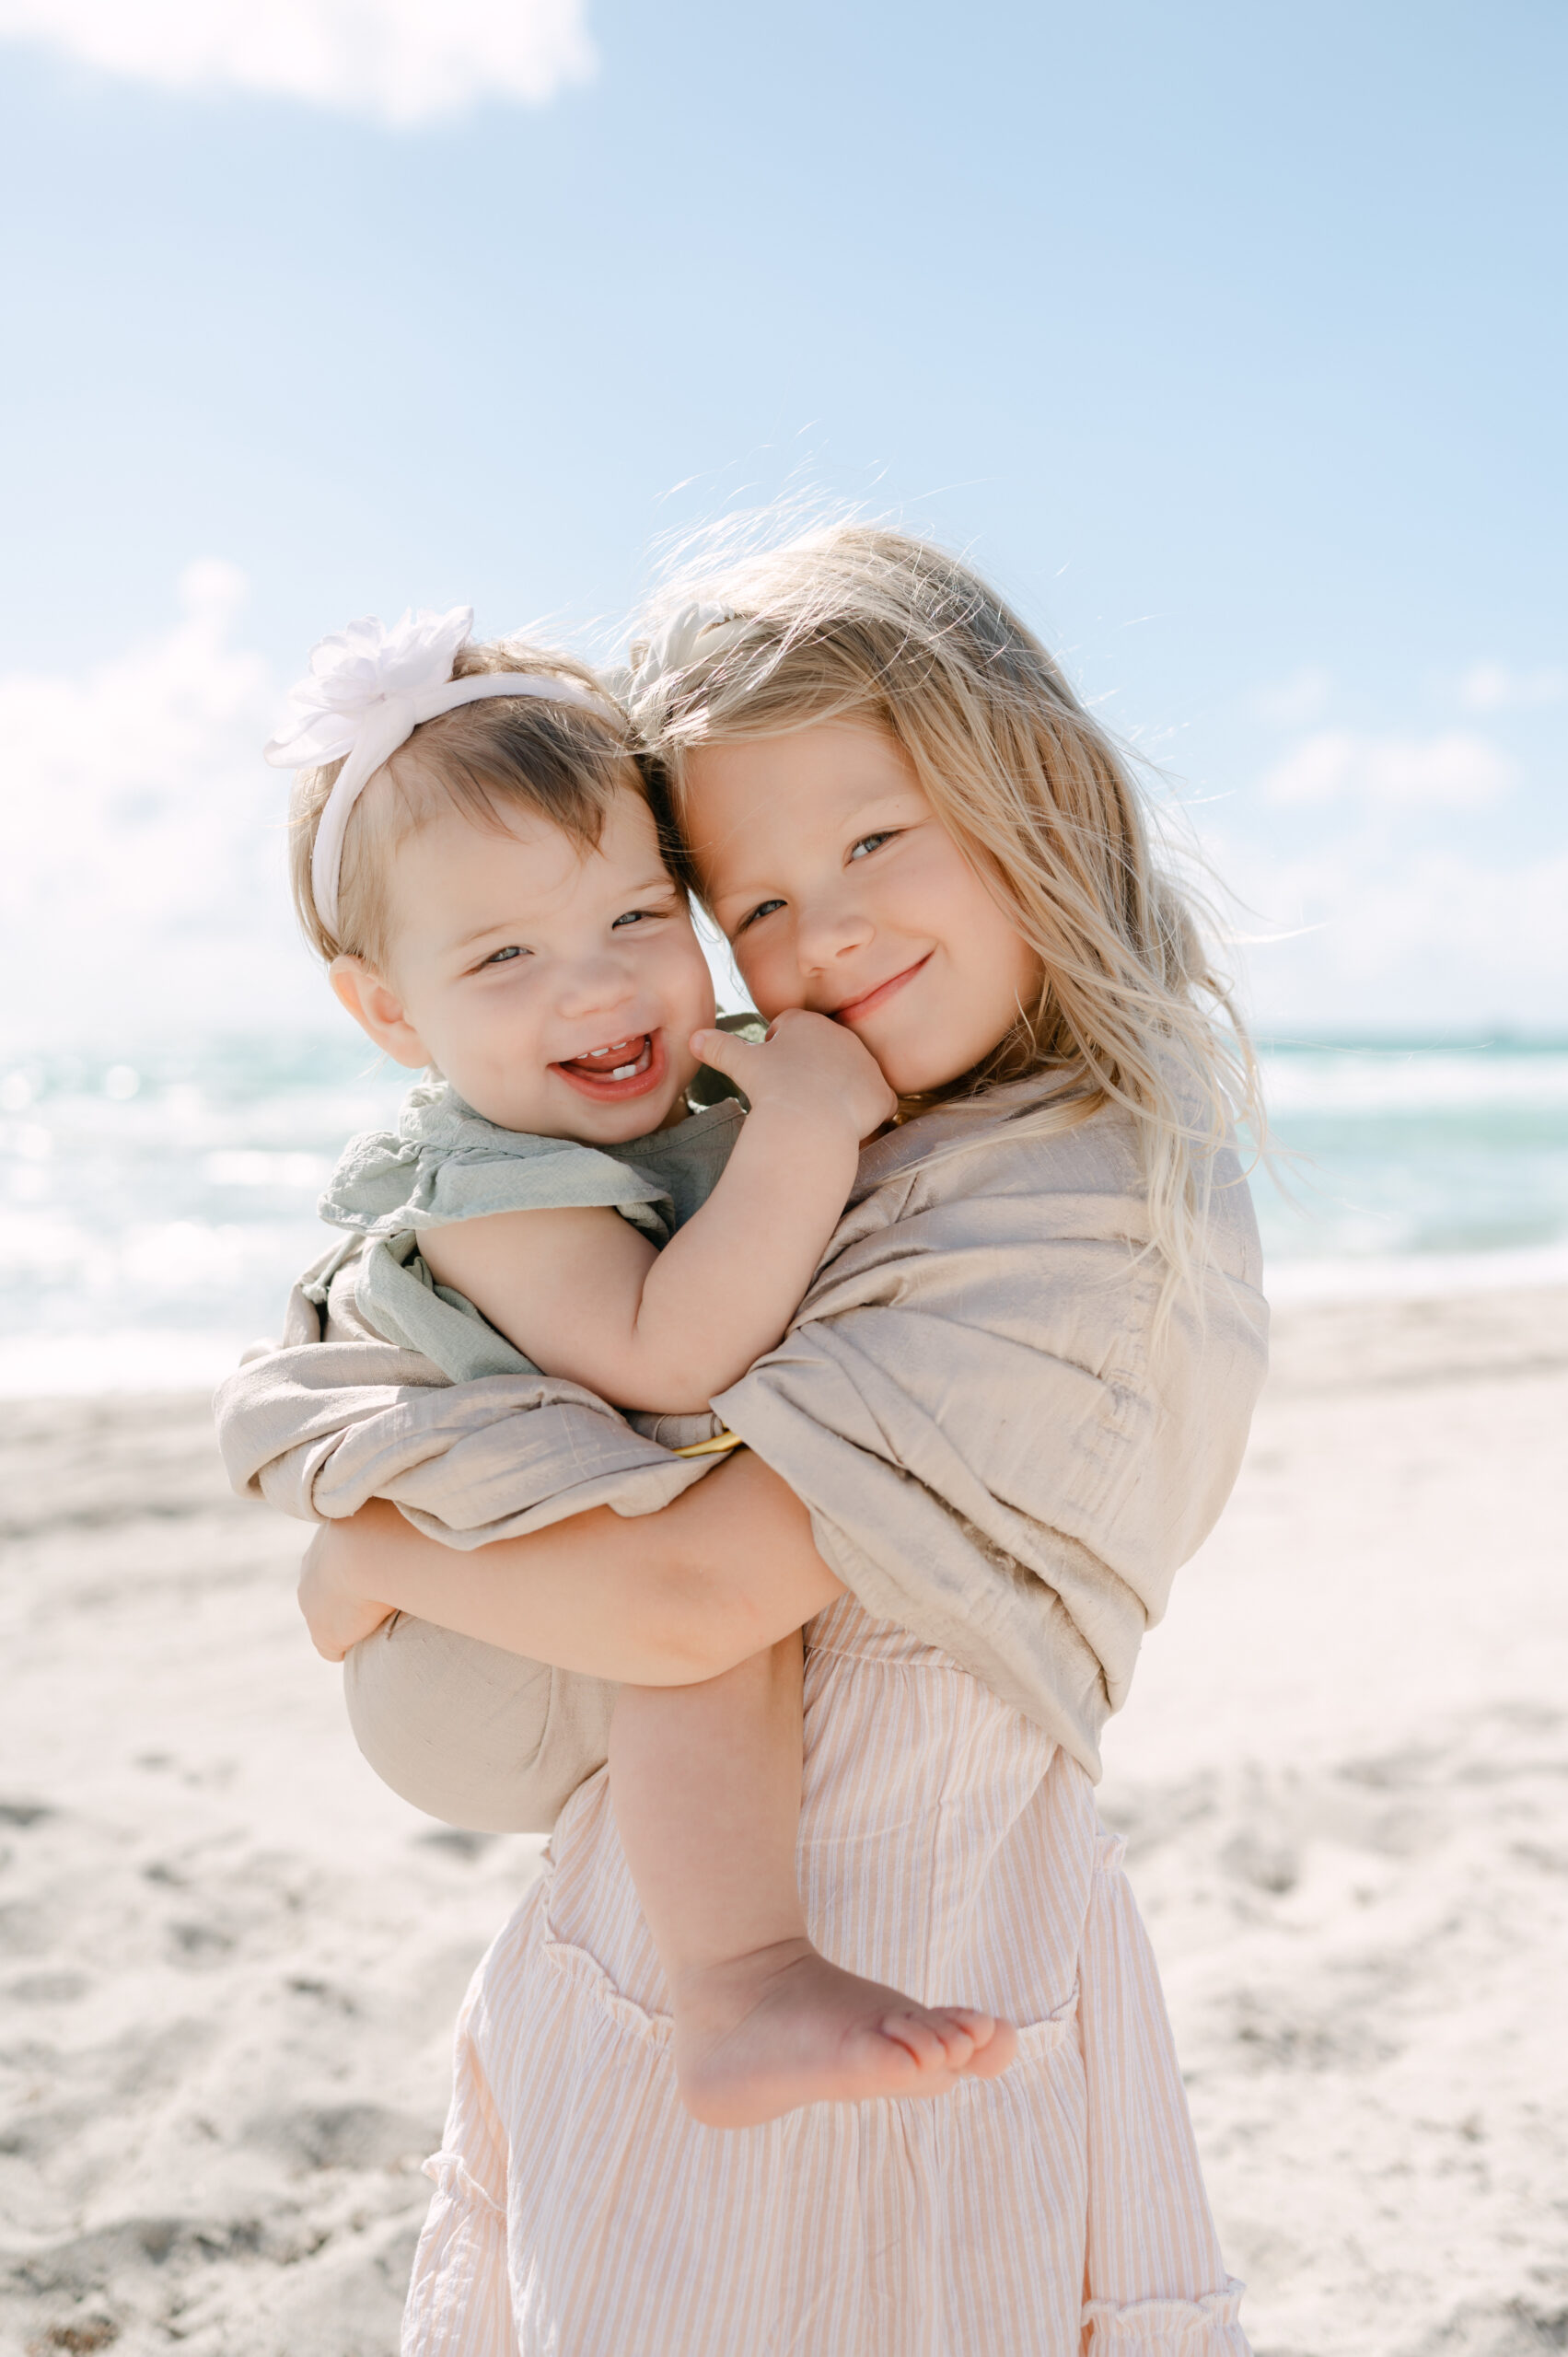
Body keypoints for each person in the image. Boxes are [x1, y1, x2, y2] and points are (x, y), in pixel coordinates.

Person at [241, 524, 1269, 2355]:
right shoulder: (905, 1126)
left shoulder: (1072, 1199)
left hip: (887, 1904)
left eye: (873, 839)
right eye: (759, 904)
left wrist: (370, 1542)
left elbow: (690, 1592)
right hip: (731, 1910)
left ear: (1033, 786)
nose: (829, 930)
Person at [257, 602, 1016, 2126]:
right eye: (504, 956)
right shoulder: (489, 1187)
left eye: (633, 919)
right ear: (389, 1012)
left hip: (509, 1596)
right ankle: (740, 1985)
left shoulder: (664, 1105)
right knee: (691, 1586)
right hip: (476, 1673)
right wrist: (807, 1130)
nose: (595, 988)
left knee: (696, 1566)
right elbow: (667, 1359)